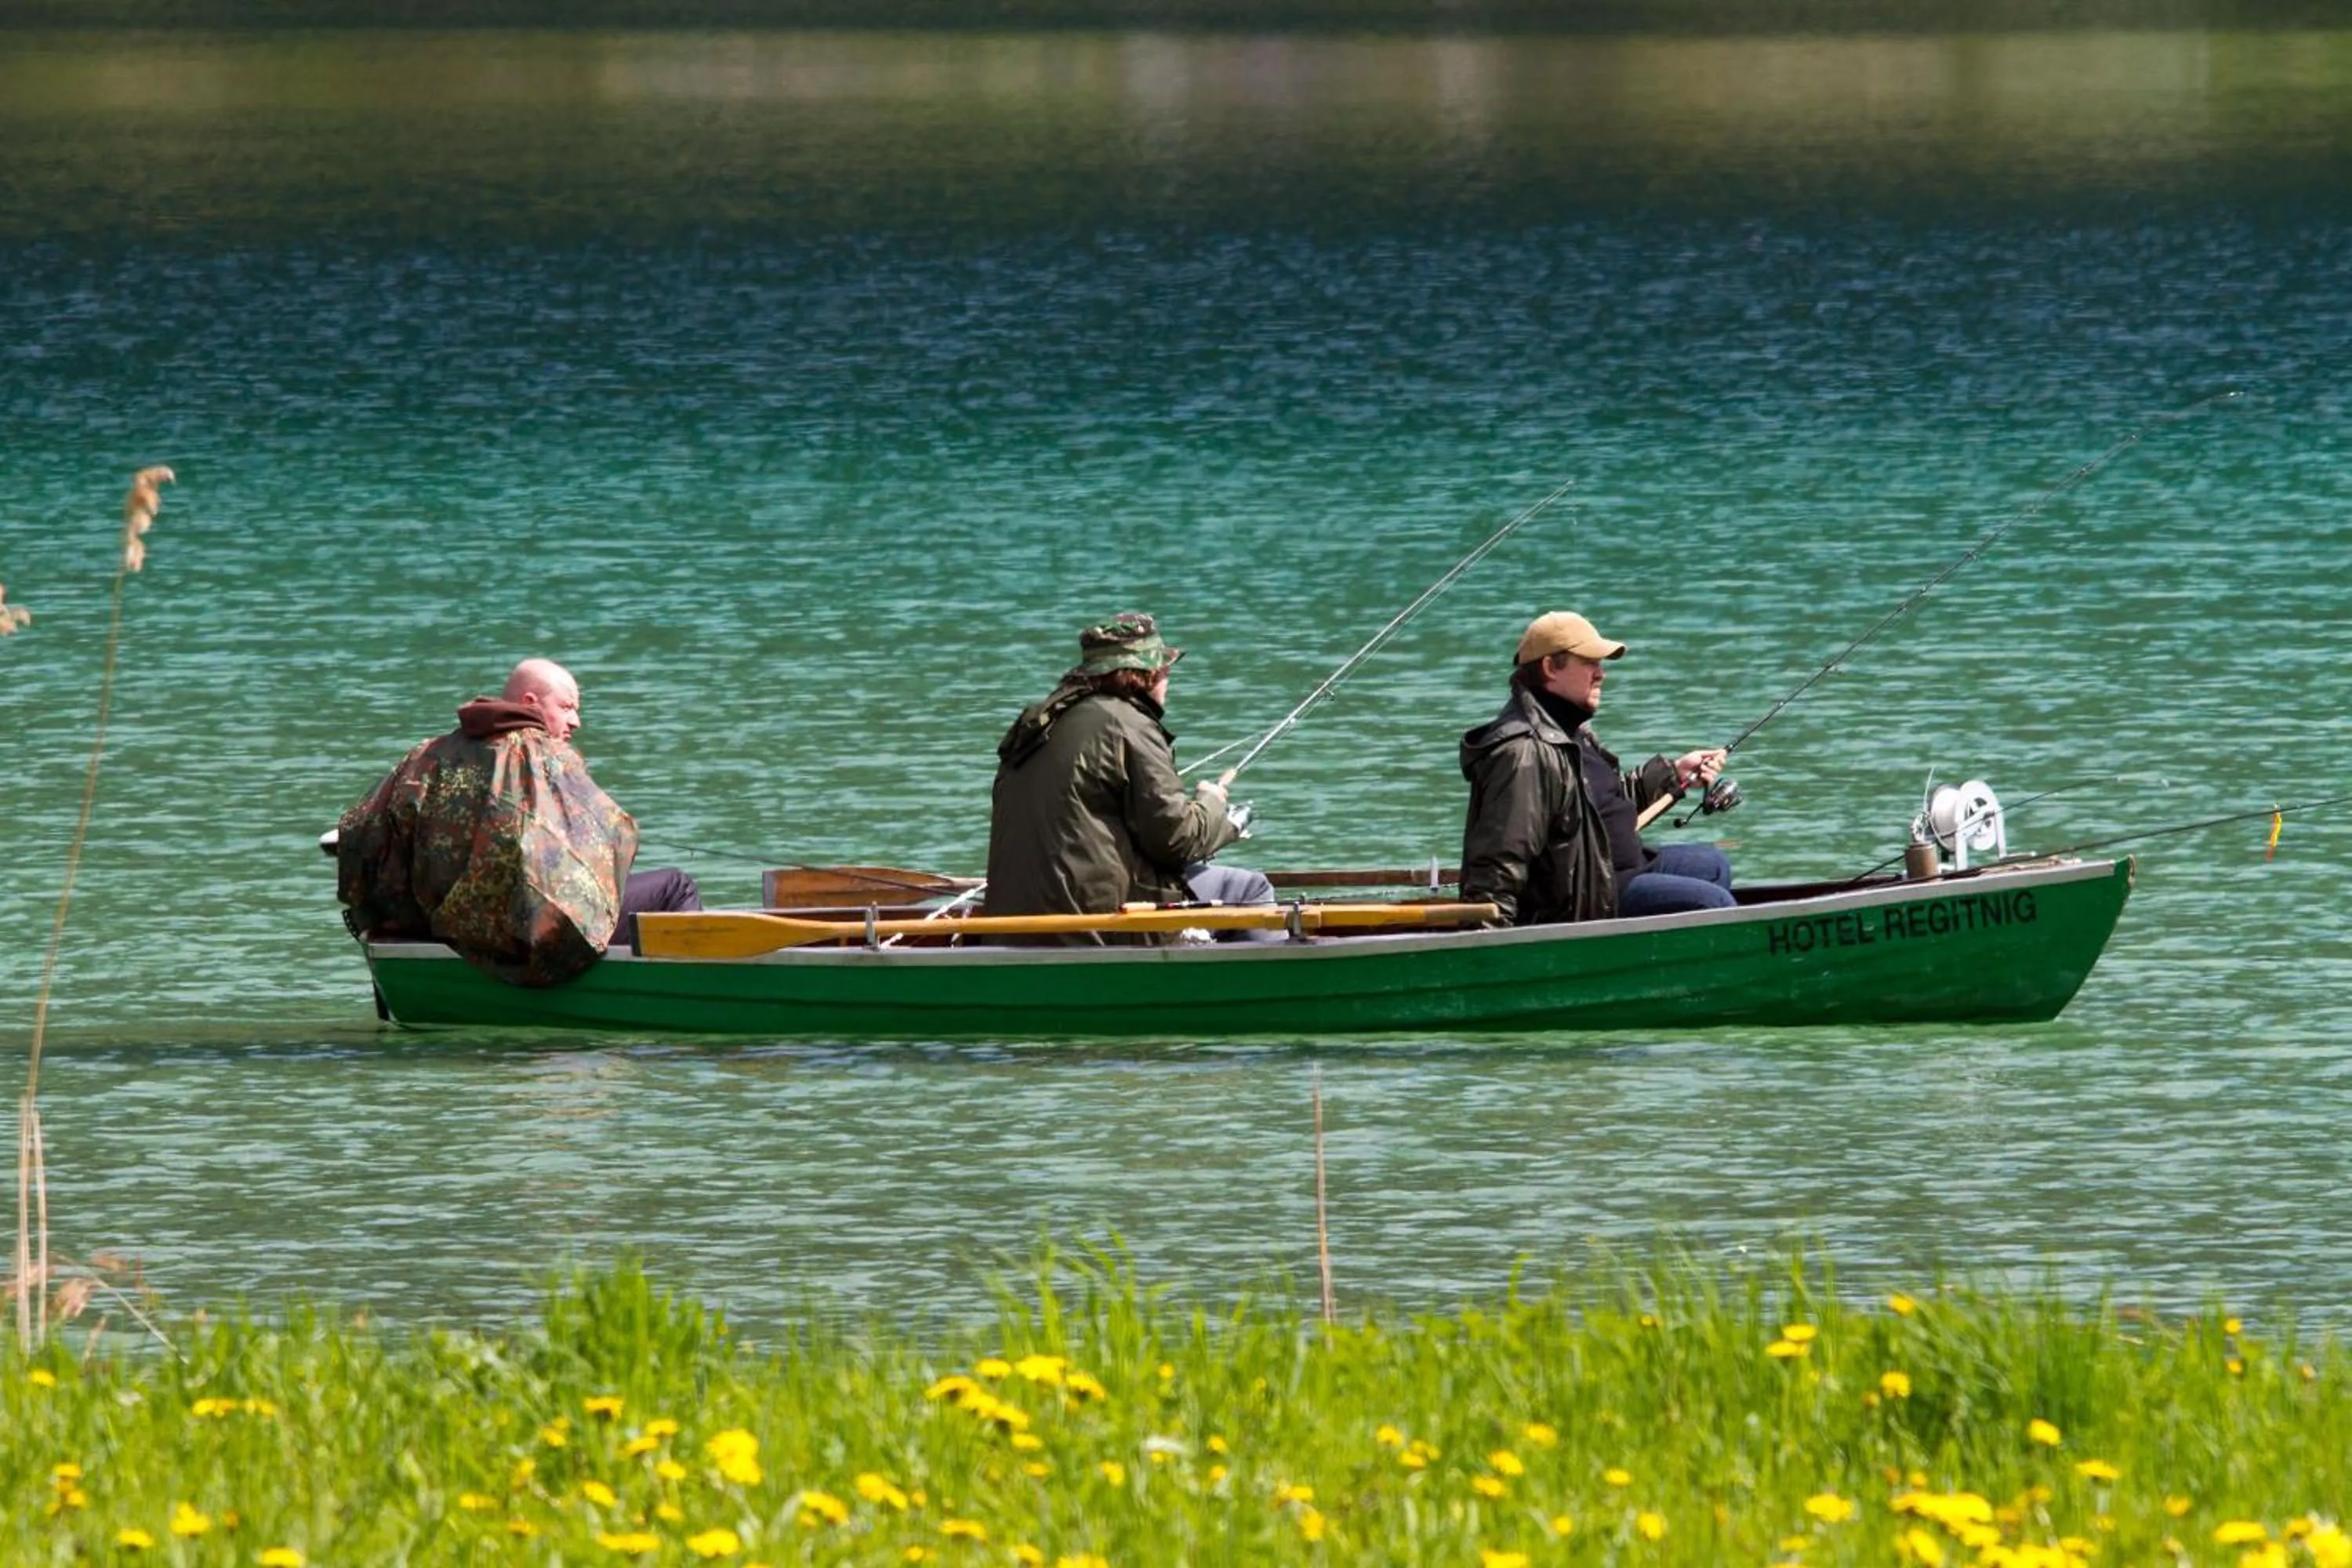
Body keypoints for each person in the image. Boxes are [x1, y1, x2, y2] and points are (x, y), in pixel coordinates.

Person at [336, 658, 701, 985]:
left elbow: (363, 829)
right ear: (530, 703)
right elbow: (617, 834)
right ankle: (683, 987)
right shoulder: (548, 756)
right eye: (567, 707)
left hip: (452, 930)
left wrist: (395, 916)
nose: (576, 720)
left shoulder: (426, 754)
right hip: (531, 935)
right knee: (675, 886)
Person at [986, 612, 1269, 946]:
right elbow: (1178, 841)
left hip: (1009, 927)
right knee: (1249, 888)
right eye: (1163, 669)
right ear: (1143, 675)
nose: (1167, 677)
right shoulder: (1129, 725)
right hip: (1096, 929)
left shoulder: (1038, 723)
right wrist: (1214, 805)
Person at [1459, 612, 1733, 927]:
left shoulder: (1569, 729)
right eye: (1590, 662)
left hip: (1610, 870)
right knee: (1713, 903)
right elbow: (1500, 859)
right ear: (1551, 668)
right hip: (1579, 900)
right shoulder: (1524, 753)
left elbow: (1598, 807)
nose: (1601, 674)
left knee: (1712, 865)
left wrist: (1673, 775)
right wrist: (1491, 942)